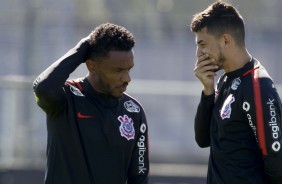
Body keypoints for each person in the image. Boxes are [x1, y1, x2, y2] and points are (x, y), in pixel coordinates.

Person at [33, 23, 149, 184]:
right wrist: (82, 48)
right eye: (118, 70)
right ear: (92, 66)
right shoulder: (66, 98)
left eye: (129, 69)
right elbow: (43, 87)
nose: (127, 78)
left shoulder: (134, 111)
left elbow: (139, 177)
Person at [191, 1, 282, 184]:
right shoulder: (225, 79)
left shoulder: (258, 85)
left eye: (202, 44)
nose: (198, 53)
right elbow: (202, 139)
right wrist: (208, 91)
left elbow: (277, 166)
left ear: (226, 40)